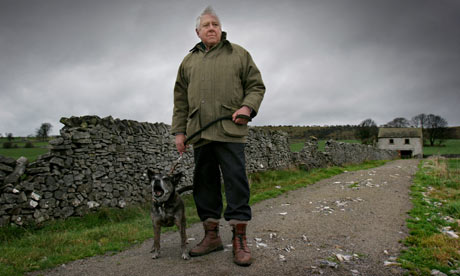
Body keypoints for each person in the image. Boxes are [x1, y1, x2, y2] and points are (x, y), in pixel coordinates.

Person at [171, 6, 265, 266]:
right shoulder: (188, 62)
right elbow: (180, 100)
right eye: (206, 25)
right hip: (200, 133)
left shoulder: (239, 54)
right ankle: (211, 236)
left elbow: (256, 86)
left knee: (236, 184)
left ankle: (239, 239)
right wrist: (180, 131)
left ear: (220, 28)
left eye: (215, 24)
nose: (211, 28)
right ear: (197, 31)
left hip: (230, 131)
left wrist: (247, 107)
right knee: (204, 185)